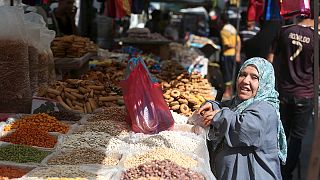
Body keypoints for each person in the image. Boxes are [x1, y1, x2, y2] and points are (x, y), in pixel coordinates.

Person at [197, 57, 287, 179]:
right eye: (243, 75)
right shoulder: (240, 103)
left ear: (265, 82)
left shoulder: (266, 109)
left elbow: (245, 129)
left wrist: (219, 115)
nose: (245, 81)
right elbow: (227, 108)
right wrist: (213, 106)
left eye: (254, 77)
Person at [270, 14, 320, 180]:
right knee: (296, 138)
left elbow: (271, 59)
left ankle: (276, 167)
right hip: (305, 95)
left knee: (281, 132)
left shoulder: (285, 31)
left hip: (284, 92)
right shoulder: (315, 38)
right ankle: (285, 173)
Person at [219, 13, 241, 99]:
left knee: (227, 74)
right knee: (232, 73)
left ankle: (228, 92)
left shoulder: (223, 31)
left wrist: (232, 46)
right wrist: (238, 52)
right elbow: (239, 41)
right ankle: (231, 91)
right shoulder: (233, 29)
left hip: (227, 54)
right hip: (234, 54)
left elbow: (227, 44)